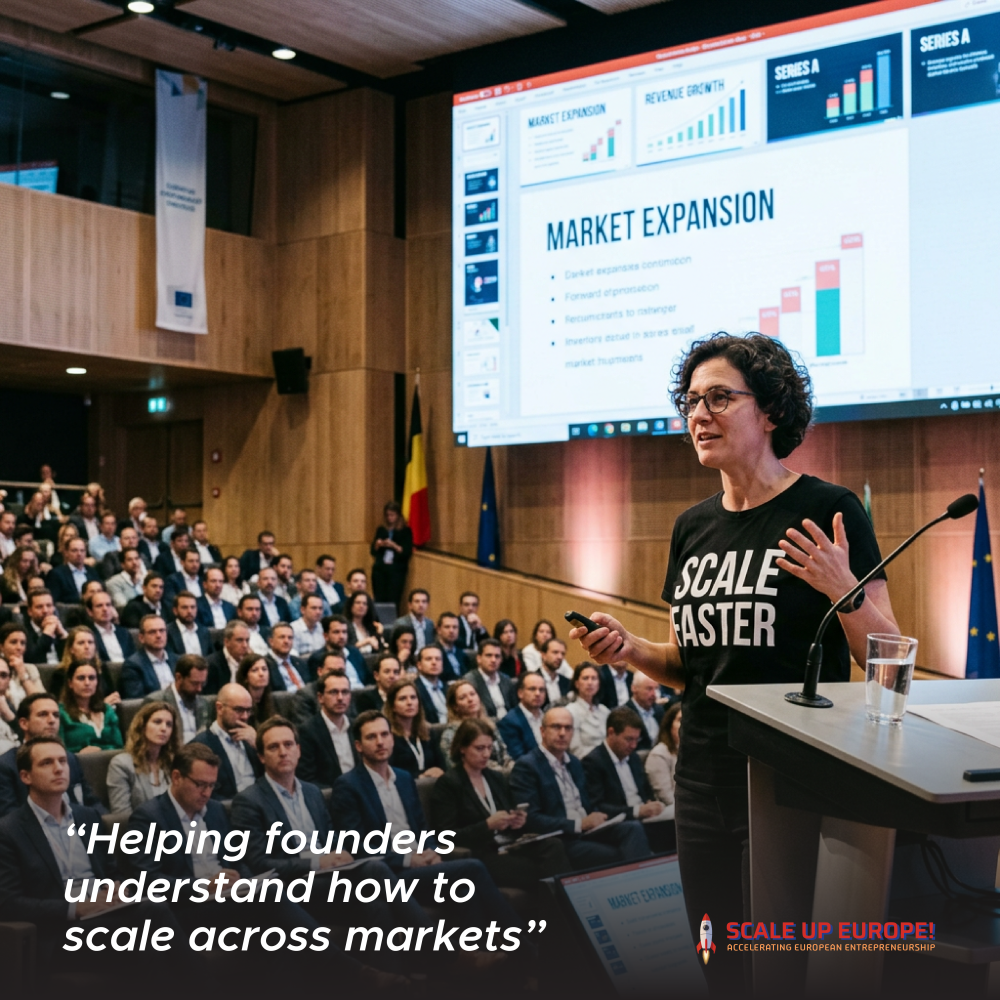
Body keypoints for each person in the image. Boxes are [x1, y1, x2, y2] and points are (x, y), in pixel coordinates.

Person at [570, 332, 896, 992]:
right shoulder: (692, 527)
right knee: (717, 963)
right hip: (701, 780)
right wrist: (630, 648)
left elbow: (887, 658)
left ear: (770, 410)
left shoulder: (827, 511)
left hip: (789, 779)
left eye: (719, 397)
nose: (699, 414)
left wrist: (845, 588)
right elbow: (691, 665)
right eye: (691, 401)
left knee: (777, 972)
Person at [230, 716, 432, 975]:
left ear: (298, 750)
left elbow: (331, 840)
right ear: (261, 756)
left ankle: (392, 981)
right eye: (273, 747)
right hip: (293, 888)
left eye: (288, 744)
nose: (283, 752)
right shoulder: (249, 801)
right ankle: (438, 948)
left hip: (330, 881)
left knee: (377, 905)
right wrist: (317, 862)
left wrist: (340, 854)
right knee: (374, 869)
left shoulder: (312, 792)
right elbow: (259, 864)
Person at [329, 711, 524, 935]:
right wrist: (407, 859)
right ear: (359, 746)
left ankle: (476, 950)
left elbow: (422, 828)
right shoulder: (348, 785)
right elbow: (357, 846)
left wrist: (432, 851)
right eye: (371, 737)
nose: (380, 742)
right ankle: (521, 941)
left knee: (463, 889)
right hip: (390, 873)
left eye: (384, 734)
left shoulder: (403, 778)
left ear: (392, 738)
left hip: (422, 864)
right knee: (473, 868)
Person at [0, 737, 178, 972]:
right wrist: (76, 908)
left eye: (63, 761)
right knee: (152, 921)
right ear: (25, 776)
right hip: (61, 931)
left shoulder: (88, 817)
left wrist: (118, 888)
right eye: (46, 763)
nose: (58, 768)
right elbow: (9, 903)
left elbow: (112, 873)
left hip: (105, 914)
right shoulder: (9, 831)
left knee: (152, 917)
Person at [431, 718, 573, 890]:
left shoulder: (496, 778)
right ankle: (563, 903)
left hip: (509, 844)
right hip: (482, 852)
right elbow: (445, 836)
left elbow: (509, 815)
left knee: (554, 846)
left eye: (489, 748)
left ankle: (569, 900)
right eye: (479, 748)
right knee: (540, 870)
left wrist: (517, 822)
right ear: (462, 748)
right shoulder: (449, 783)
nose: (486, 754)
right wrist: (487, 825)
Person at [510, 706, 651, 871]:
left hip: (588, 829)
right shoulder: (527, 766)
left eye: (568, 728)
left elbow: (589, 803)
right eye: (556, 727)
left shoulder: (575, 762)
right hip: (562, 837)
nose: (562, 733)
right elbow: (531, 818)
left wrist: (596, 817)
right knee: (615, 854)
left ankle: (643, 881)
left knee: (633, 828)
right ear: (542, 731)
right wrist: (578, 824)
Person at [0, 693, 103, 816]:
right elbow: (8, 816)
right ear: (24, 723)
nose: (52, 720)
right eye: (43, 714)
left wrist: (105, 822)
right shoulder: (6, 765)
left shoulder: (70, 758)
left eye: (56, 715)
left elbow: (92, 802)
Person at [582, 707, 666, 824]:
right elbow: (598, 807)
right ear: (611, 733)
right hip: (621, 823)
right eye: (629, 739)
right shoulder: (593, 762)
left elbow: (647, 792)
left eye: (637, 740)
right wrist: (637, 811)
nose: (633, 745)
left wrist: (652, 804)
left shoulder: (634, 758)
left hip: (645, 819)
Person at [192, 682, 263, 798]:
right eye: (239, 710)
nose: (245, 716)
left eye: (248, 710)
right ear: (219, 708)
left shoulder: (253, 740)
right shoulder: (200, 745)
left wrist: (259, 746)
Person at [107, 700, 179, 813]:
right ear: (142, 726)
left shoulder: (174, 762)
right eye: (157, 722)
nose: (164, 728)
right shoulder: (122, 764)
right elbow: (121, 814)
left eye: (169, 724)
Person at [296, 669, 357, 786]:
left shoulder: (357, 727)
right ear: (320, 697)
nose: (340, 698)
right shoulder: (307, 731)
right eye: (334, 692)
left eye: (345, 692)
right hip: (330, 793)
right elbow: (307, 778)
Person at [439, 680, 512, 772]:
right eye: (462, 698)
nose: (470, 699)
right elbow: (458, 766)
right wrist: (504, 773)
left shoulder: (489, 724)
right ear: (455, 706)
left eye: (472, 694)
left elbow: (504, 756)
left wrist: (514, 769)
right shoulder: (451, 734)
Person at [383, 677, 444, 779]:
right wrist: (419, 776)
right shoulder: (387, 736)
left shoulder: (429, 732)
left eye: (413, 697)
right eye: (403, 699)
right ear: (392, 706)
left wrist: (439, 770)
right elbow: (389, 771)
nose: (409, 702)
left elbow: (442, 765)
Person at [58, 660, 124, 753]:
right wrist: (79, 754)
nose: (87, 683)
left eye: (92, 678)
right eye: (81, 678)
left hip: (111, 759)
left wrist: (101, 751)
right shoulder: (60, 713)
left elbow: (120, 746)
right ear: (70, 683)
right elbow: (58, 750)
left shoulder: (107, 710)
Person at [147, 653, 213, 744]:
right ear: (179, 677)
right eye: (194, 683)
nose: (199, 689)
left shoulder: (204, 703)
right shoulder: (156, 701)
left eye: (202, 684)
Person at [53, 624, 121, 705]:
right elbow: (59, 705)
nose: (87, 646)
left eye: (90, 642)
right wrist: (103, 706)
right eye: (81, 643)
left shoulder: (101, 667)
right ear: (71, 649)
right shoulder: (61, 673)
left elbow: (113, 695)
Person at [307, 614, 371, 689]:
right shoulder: (317, 658)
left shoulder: (354, 652)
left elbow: (368, 679)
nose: (341, 636)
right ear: (326, 636)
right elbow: (318, 687)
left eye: (344, 632)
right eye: (336, 632)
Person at [121, 615, 177, 698]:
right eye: (152, 632)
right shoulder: (132, 666)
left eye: (162, 630)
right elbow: (136, 700)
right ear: (141, 638)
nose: (158, 635)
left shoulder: (177, 660)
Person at [370, 500, 412, 610]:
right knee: (379, 599)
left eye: (392, 515)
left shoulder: (405, 531)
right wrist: (378, 545)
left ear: (398, 515)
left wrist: (394, 545)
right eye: (387, 515)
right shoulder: (381, 529)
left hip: (396, 571)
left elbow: (406, 552)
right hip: (380, 569)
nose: (390, 518)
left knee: (393, 599)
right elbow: (373, 551)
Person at [462, 638, 516, 720]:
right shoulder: (470, 681)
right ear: (479, 659)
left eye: (497, 656)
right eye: (489, 655)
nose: (493, 660)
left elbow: (514, 708)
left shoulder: (506, 680)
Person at [497, 670, 547, 760]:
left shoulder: (547, 717)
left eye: (541, 690)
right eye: (532, 689)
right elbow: (520, 759)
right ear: (520, 693)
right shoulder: (509, 722)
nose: (538, 694)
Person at [565, 661, 610, 758]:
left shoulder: (604, 711)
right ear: (577, 683)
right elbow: (575, 749)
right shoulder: (570, 711)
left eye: (594, 678)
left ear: (599, 683)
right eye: (585, 678)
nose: (590, 683)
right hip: (585, 761)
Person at [646, 703, 681, 807]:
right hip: (669, 809)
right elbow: (666, 797)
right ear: (669, 724)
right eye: (680, 720)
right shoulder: (659, 754)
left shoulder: (694, 751)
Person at [87, 589, 136, 664]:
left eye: (108, 605)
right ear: (90, 612)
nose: (105, 609)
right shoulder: (88, 634)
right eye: (99, 606)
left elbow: (133, 658)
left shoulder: (124, 632)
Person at [1, 623, 44, 706]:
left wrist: (22, 673)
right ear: (1, 647)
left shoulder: (30, 668)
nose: (19, 647)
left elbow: (42, 702)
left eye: (23, 643)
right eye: (13, 642)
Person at [203, 618, 251, 694]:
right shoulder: (211, 664)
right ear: (226, 642)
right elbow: (210, 697)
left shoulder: (250, 662)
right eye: (239, 640)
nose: (245, 645)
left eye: (247, 640)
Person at [46, 537, 100, 604]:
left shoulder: (92, 572)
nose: (79, 554)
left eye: (82, 550)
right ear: (66, 553)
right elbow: (54, 601)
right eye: (74, 550)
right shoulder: (56, 574)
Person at [24, 589, 68, 666]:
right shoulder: (23, 633)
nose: (45, 610)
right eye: (39, 607)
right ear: (30, 611)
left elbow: (74, 657)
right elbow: (32, 659)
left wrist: (63, 635)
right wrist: (47, 635)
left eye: (49, 606)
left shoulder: (62, 628)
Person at [626, 670, 666, 751]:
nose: (654, 694)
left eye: (656, 689)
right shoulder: (625, 714)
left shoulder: (659, 711)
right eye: (649, 689)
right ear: (634, 688)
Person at [167, 591, 214, 657]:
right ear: (175, 611)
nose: (189, 611)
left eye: (193, 607)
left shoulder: (204, 631)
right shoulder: (167, 632)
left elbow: (211, 657)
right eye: (184, 607)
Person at [265, 621, 309, 690]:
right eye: (282, 637)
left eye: (290, 638)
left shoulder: (300, 662)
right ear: (271, 641)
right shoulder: (265, 665)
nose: (286, 641)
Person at [236, 653, 276, 725]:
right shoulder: (240, 704)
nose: (261, 674)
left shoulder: (274, 702)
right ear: (245, 677)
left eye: (264, 669)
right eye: (254, 670)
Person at [412, 643, 448, 723]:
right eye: (428, 659)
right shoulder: (413, 689)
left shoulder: (448, 688)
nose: (434, 662)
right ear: (419, 665)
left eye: (438, 659)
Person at [345, 590, 384, 654]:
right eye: (358, 603)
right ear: (351, 605)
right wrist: (367, 641)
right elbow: (347, 649)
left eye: (364, 604)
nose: (361, 606)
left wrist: (379, 634)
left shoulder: (371, 625)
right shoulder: (345, 625)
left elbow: (378, 649)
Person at [536, 638, 572, 706]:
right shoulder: (532, 680)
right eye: (555, 652)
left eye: (563, 654)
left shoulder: (567, 683)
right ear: (543, 655)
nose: (560, 657)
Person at [290, 593, 326, 658]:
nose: (318, 612)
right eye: (314, 608)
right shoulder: (293, 629)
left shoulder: (323, 628)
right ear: (303, 610)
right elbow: (293, 656)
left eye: (320, 608)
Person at [436, 612, 469, 679]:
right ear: (439, 630)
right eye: (447, 627)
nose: (451, 631)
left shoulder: (461, 653)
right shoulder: (434, 652)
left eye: (455, 627)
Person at [0, 658, 18, 751]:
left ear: (9, 679)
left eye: (3, 675)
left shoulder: (12, 703)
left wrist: (8, 714)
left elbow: (24, 737)